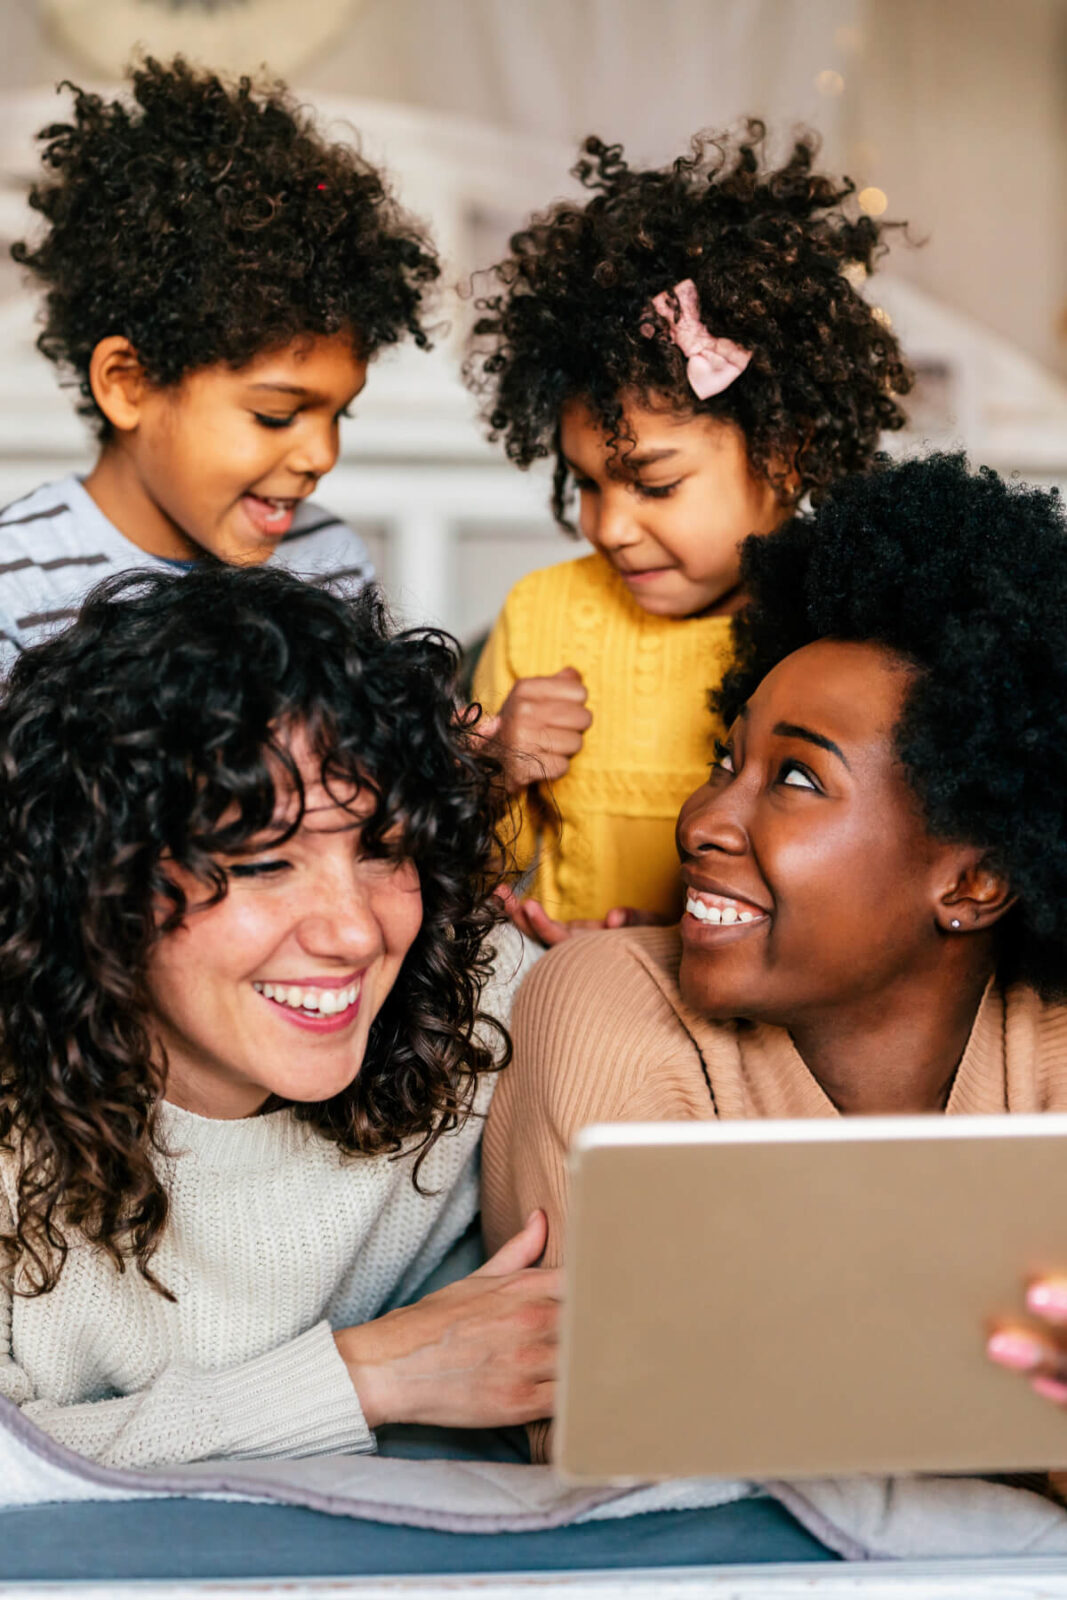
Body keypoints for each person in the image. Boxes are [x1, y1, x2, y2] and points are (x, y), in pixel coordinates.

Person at [481, 453, 1067, 1478]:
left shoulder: (1047, 1039)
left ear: (973, 881)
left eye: (794, 776)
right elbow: (625, 1428)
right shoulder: (603, 1003)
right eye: (724, 759)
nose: (704, 818)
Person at [0, 566, 558, 1471]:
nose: (351, 932)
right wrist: (368, 1378)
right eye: (264, 864)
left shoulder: (476, 998)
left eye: (385, 851)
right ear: (103, 882)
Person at [468, 123, 911, 942]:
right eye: (586, 484)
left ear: (785, 451)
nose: (610, 527)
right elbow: (478, 868)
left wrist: (683, 937)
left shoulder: (840, 641)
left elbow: (873, 884)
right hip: (575, 1007)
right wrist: (496, 774)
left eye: (655, 484)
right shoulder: (542, 614)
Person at [0, 58, 439, 667]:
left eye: (341, 414)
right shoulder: (15, 583)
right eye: (277, 415)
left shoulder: (330, 565)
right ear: (128, 385)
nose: (323, 457)